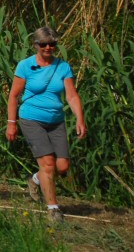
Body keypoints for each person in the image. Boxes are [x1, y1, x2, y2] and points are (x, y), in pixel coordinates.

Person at [6, 26, 88, 223]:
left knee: (62, 166)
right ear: (36, 45)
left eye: (52, 44)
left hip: (56, 120)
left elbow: (71, 95)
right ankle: (53, 209)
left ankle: (35, 180)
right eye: (44, 44)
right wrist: (11, 123)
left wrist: (80, 119)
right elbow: (14, 95)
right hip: (31, 119)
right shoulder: (25, 66)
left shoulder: (63, 67)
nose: (48, 48)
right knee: (48, 164)